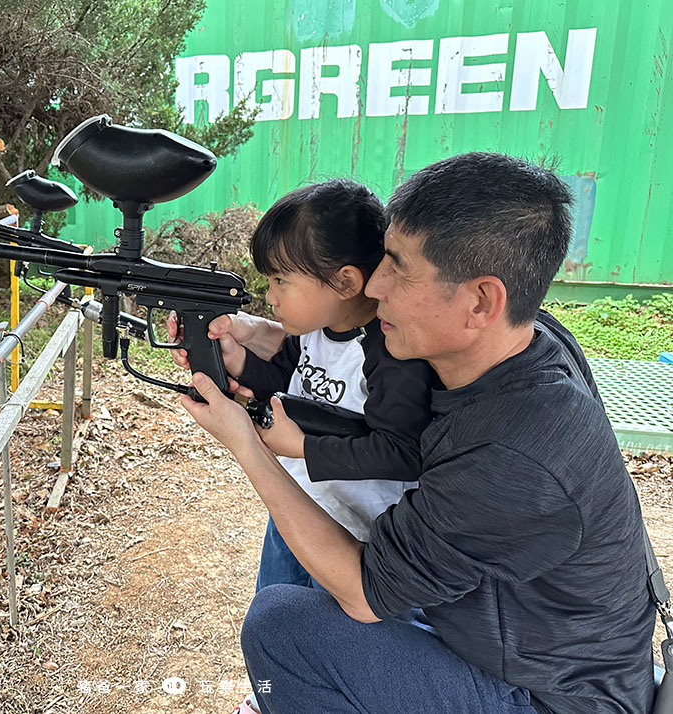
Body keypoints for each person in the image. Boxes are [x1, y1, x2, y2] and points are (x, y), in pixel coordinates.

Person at [179, 153, 655, 714]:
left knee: (280, 629)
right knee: (307, 512)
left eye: (399, 267)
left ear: (481, 301)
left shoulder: (513, 453)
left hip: (547, 696)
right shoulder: (523, 342)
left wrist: (248, 447)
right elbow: (332, 377)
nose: (373, 284)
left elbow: (363, 592)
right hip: (507, 640)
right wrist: (262, 342)